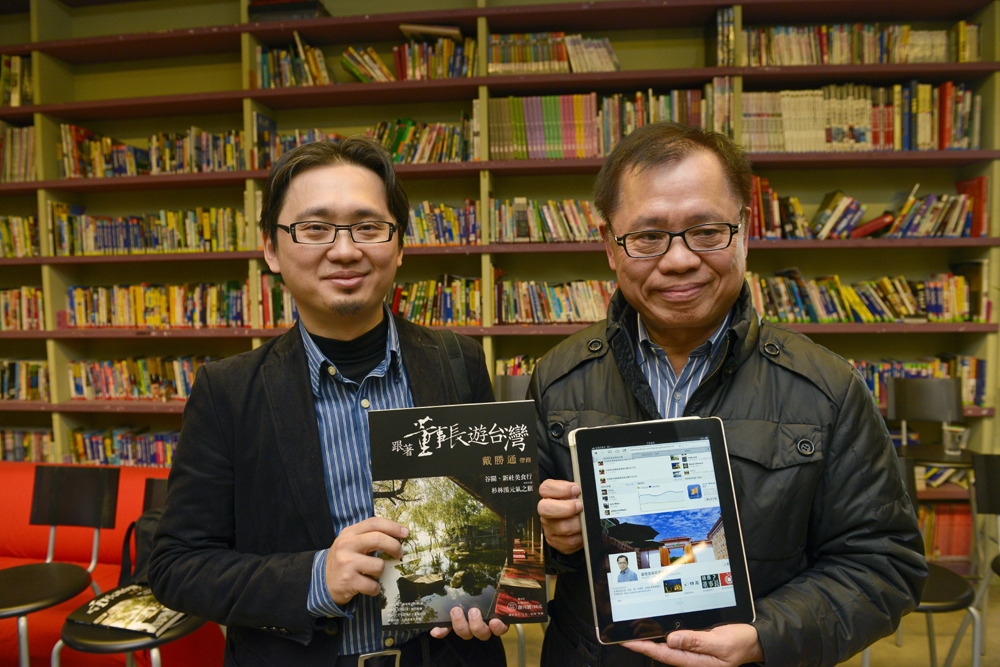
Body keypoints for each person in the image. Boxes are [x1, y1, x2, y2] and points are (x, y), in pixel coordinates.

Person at [530, 122, 928, 667]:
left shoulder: (828, 388)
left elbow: (883, 565)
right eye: (648, 237)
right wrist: (551, 541)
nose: (678, 260)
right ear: (610, 246)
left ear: (744, 230)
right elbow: (522, 555)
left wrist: (764, 636)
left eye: (706, 230)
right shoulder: (557, 377)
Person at [149, 138, 507, 666]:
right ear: (272, 249)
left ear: (399, 245)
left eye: (368, 227)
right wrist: (315, 577)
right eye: (315, 229)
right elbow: (176, 566)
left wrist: (503, 573)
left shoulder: (458, 361)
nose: (344, 251)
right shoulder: (228, 391)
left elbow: (493, 517)